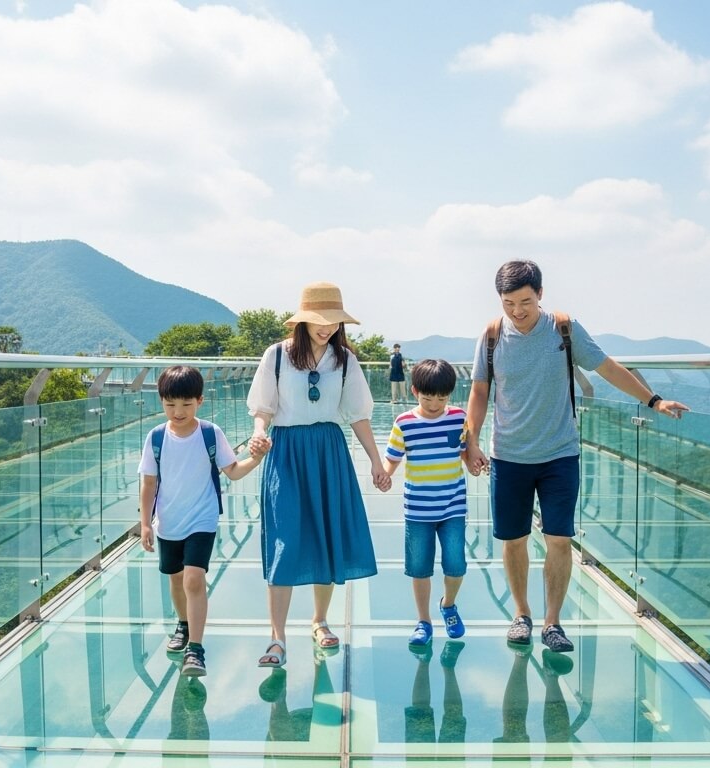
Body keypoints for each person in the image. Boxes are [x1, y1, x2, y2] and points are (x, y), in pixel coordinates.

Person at [464, 260, 688, 653]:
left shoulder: (564, 329)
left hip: (559, 455)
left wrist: (653, 400)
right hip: (509, 456)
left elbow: (607, 368)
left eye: (526, 302)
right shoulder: (492, 336)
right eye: (509, 303)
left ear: (541, 295)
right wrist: (471, 441)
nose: (517, 311)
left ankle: (552, 623)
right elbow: (480, 391)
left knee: (559, 539)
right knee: (514, 540)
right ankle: (522, 615)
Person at [246, 281, 389, 667]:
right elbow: (263, 408)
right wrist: (259, 433)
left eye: (334, 322)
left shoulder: (345, 361)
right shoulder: (276, 356)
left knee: (326, 537)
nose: (327, 328)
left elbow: (358, 415)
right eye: (320, 321)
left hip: (328, 450)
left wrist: (376, 461)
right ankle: (277, 638)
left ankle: (320, 621)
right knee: (284, 540)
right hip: (286, 451)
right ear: (304, 320)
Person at [139, 365, 265, 677]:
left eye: (185, 404)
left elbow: (232, 471)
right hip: (168, 521)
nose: (177, 411)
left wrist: (257, 458)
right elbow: (149, 484)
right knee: (176, 579)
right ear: (161, 402)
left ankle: (195, 649)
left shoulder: (210, 434)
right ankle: (183, 624)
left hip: (202, 519)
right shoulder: (155, 438)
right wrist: (144, 523)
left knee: (193, 579)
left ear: (200, 401)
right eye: (170, 404)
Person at [383, 359, 473, 648]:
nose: (435, 403)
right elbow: (392, 459)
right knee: (420, 567)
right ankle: (423, 621)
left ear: (450, 395)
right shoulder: (404, 423)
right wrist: (384, 476)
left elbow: (465, 451)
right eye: (427, 397)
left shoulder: (459, 418)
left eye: (442, 397)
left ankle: (448, 605)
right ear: (414, 392)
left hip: (453, 506)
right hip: (418, 509)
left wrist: (474, 461)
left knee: (456, 564)